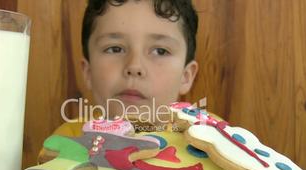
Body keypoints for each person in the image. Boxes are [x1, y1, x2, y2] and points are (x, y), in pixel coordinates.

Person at [51, 0, 199, 141]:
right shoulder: (63, 145)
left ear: (185, 76)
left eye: (160, 51)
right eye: (115, 49)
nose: (134, 67)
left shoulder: (209, 145)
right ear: (88, 72)